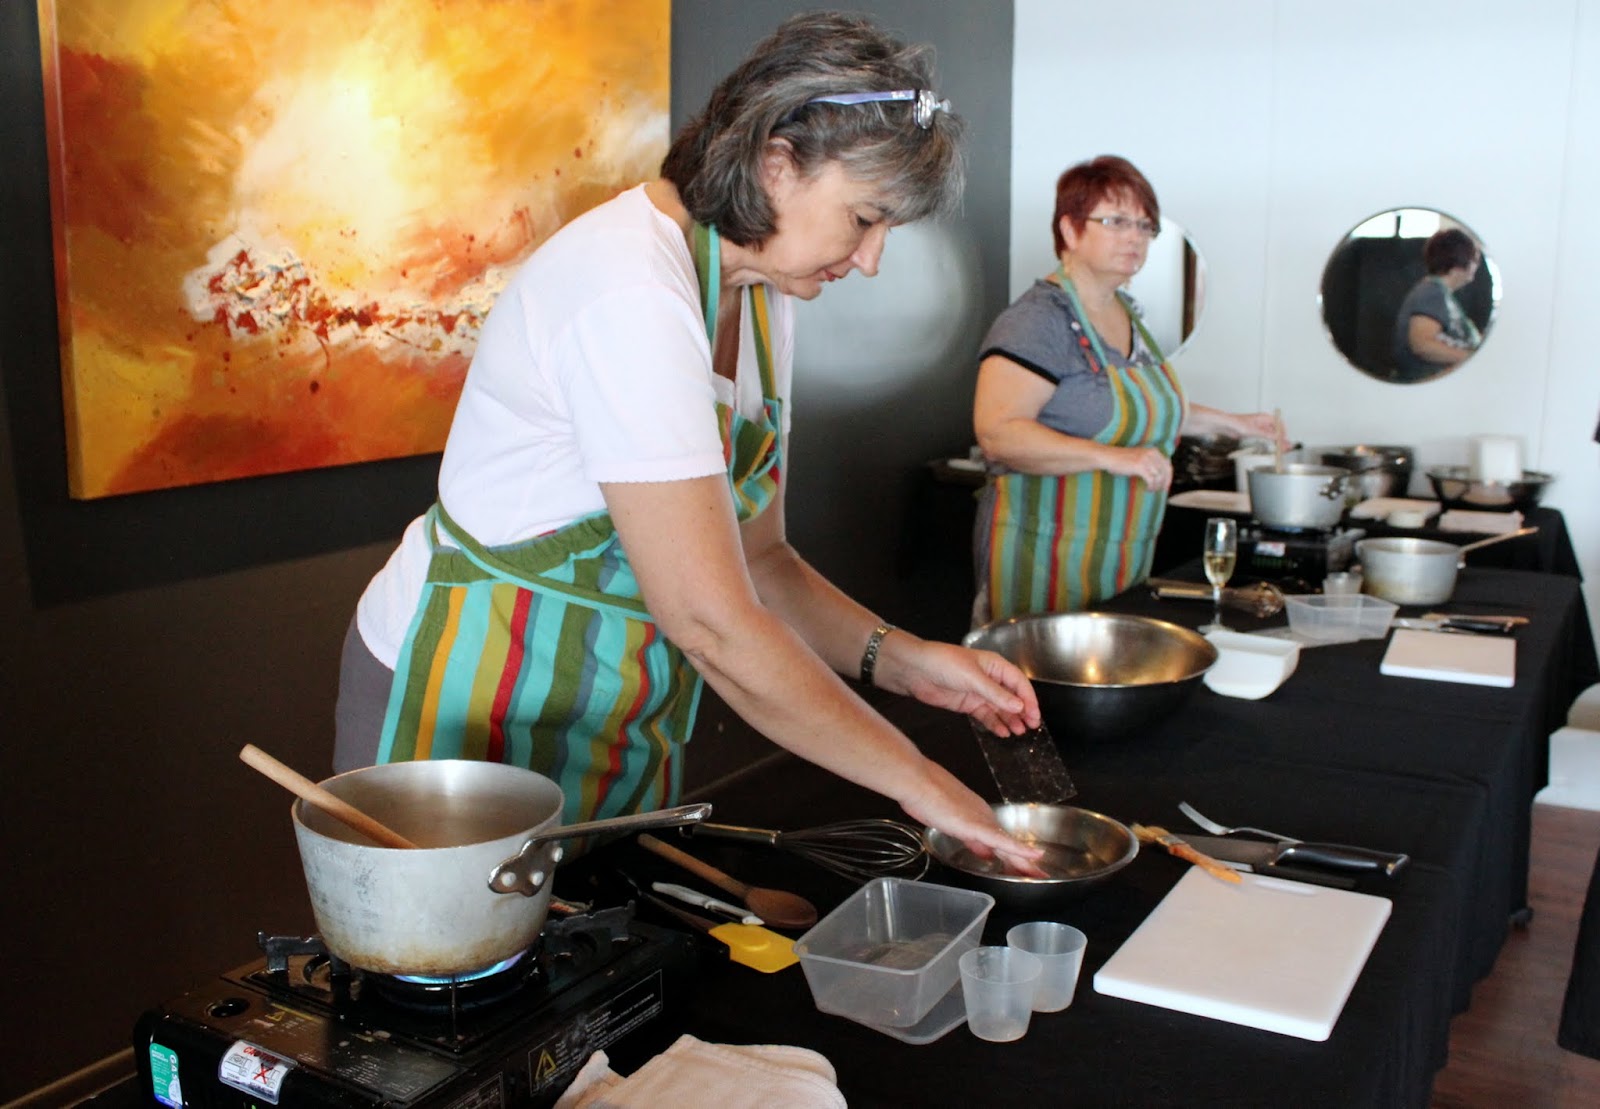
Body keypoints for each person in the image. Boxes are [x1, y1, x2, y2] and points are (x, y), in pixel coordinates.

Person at [333, 12, 1045, 873]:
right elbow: (710, 619)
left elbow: (762, 558)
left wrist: (902, 662)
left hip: (609, 704)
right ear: (776, 162)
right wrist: (919, 779)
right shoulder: (629, 288)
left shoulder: (762, 294)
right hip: (471, 700)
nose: (871, 260)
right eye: (865, 218)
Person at [971, 155, 1284, 621]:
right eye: (1116, 221)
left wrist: (1237, 424)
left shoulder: (1127, 314)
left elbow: (1146, 407)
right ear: (1071, 231)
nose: (1135, 237)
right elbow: (999, 433)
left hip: (1119, 555)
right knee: (1035, 681)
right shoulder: (1038, 321)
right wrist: (1116, 458)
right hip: (1044, 550)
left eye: (1144, 225)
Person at [1390, 227, 1483, 382]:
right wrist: (1472, 359)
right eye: (1474, 259)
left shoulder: (1439, 293)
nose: (1476, 266)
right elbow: (1423, 345)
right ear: (1461, 260)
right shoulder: (1431, 293)